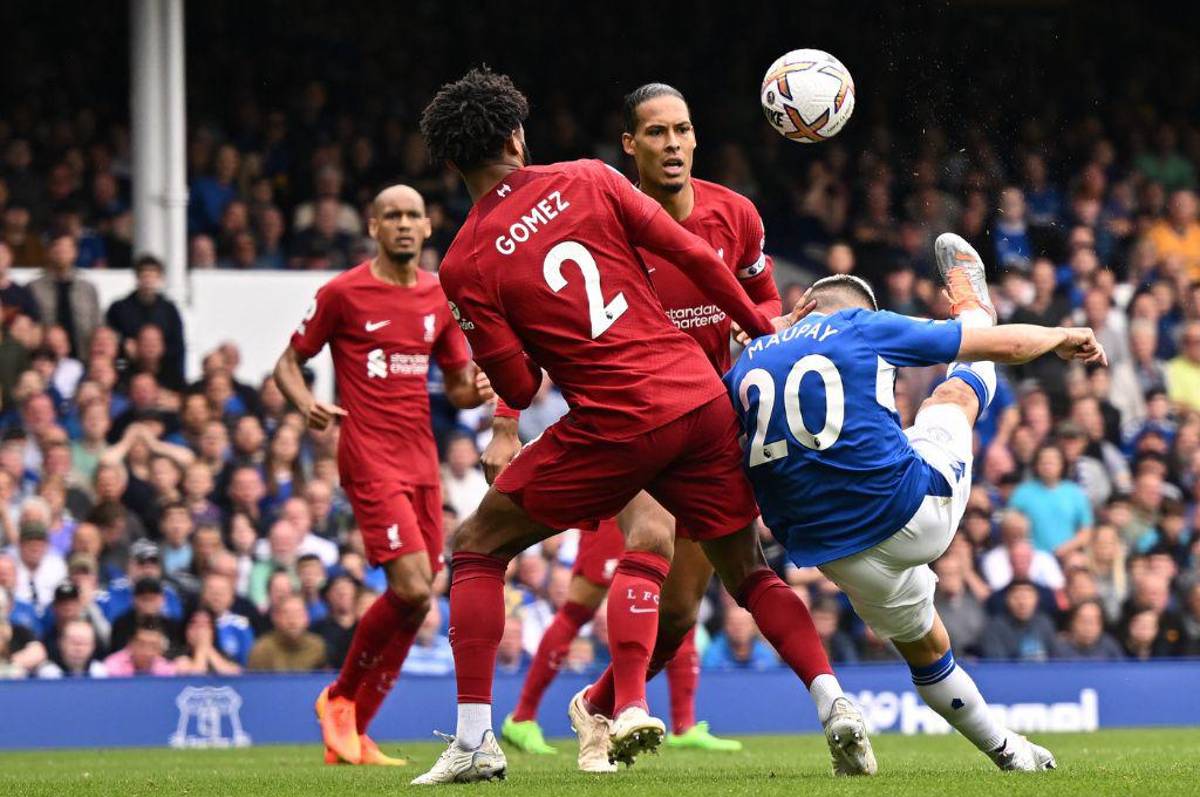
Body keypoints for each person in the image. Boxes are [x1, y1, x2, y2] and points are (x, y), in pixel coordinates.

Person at [413, 68, 860, 785]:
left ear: (450, 161)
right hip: (701, 403)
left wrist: (506, 364)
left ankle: (477, 739)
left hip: (617, 424)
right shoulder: (589, 177)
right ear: (516, 137)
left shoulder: (464, 261)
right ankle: (834, 701)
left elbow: (524, 387)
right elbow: (692, 254)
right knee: (744, 568)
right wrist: (761, 329)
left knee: (473, 546)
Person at [725, 233, 1107, 771]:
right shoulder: (860, 324)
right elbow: (1008, 348)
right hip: (911, 512)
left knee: (923, 647)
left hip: (834, 552)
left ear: (801, 307)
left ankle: (1008, 749)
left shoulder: (741, 368)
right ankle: (976, 303)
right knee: (952, 394)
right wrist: (1061, 335)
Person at [501, 84, 788, 760]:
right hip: (624, 425)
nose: (674, 144)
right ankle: (607, 708)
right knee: (606, 576)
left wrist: (763, 334)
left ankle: (633, 711)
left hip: (708, 429)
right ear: (629, 145)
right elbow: (536, 327)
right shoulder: (594, 222)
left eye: (683, 130)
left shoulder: (733, 213)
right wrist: (503, 415)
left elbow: (763, 294)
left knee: (682, 608)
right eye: (657, 132)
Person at [274, 183, 493, 766]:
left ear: (427, 228)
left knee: (420, 603)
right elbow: (287, 363)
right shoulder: (343, 293)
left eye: (412, 216)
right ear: (372, 226)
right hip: (369, 457)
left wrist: (476, 390)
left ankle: (354, 733)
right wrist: (304, 404)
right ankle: (340, 697)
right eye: (390, 215)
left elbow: (455, 386)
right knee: (411, 588)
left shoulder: (437, 296)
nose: (402, 224)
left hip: (422, 460)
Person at [105, 255, 186, 389]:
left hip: (162, 372)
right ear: (137, 277)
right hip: (127, 368)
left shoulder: (169, 310)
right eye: (144, 275)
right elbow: (110, 335)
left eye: (153, 275)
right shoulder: (120, 308)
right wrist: (124, 344)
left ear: (160, 278)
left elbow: (178, 345)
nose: (148, 280)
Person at [27, 235, 101, 358]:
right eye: (57, 249)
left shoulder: (88, 289)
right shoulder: (33, 288)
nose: (62, 254)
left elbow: (97, 324)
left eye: (66, 250)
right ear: (49, 252)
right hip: (45, 359)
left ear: (75, 253)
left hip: (83, 357)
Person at [246, 594, 327, 672]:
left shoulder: (318, 647)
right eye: (286, 614)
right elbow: (254, 683)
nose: (292, 620)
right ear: (275, 618)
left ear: (307, 618)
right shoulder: (262, 649)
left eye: (298, 614)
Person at [102, 616, 176, 676]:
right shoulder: (112, 665)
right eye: (141, 644)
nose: (147, 651)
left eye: (153, 646)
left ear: (160, 649)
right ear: (130, 644)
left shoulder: (166, 670)